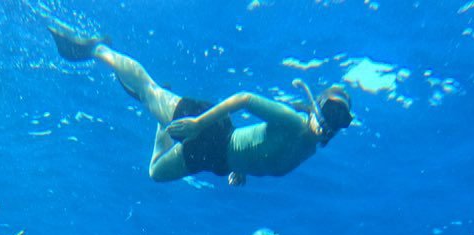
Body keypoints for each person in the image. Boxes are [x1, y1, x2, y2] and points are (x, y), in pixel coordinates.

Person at [48, 25, 352, 186]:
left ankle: (160, 118)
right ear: (317, 105)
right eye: (330, 109)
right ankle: (96, 49)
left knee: (155, 173)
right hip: (210, 131)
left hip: (218, 161)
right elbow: (244, 99)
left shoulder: (308, 148)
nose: (332, 120)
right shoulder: (293, 121)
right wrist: (198, 123)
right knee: (147, 88)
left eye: (341, 118)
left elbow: (263, 150)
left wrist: (240, 168)